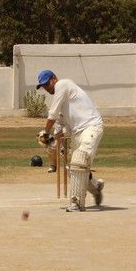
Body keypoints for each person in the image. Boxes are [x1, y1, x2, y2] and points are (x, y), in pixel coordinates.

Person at [35, 70, 104, 212]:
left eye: (47, 84)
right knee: (74, 169)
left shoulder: (63, 84)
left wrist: (45, 132)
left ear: (54, 78)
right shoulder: (63, 106)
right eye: (43, 86)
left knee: (79, 161)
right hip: (77, 133)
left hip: (91, 127)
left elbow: (52, 114)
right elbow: (64, 130)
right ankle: (96, 187)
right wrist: (51, 139)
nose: (46, 88)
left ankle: (76, 203)